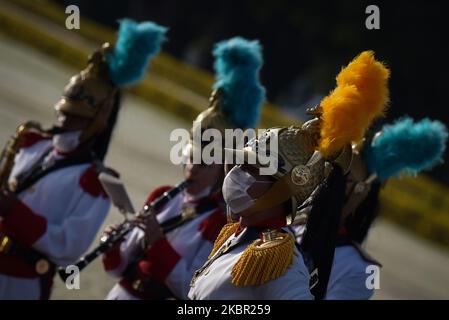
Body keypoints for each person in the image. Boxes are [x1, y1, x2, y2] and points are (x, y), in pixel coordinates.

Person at [188, 50, 390, 300]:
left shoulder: (280, 261)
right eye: (240, 165)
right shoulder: (235, 233)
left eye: (252, 170)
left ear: (284, 188)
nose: (236, 174)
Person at [0, 18, 167, 299]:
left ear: (97, 121)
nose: (63, 120)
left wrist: (12, 209)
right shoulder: (32, 143)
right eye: (63, 113)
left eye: (75, 117)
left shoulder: (95, 180)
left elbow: (67, 246)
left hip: (22, 282)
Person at [102, 37, 266, 300]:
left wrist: (157, 242)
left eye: (203, 164)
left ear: (222, 170)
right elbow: (118, 268)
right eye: (190, 158)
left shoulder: (218, 223)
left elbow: (192, 289)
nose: (192, 168)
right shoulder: (162, 196)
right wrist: (111, 247)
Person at [313, 117, 447, 300]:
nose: (327, 187)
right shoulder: (289, 229)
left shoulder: (365, 271)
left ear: (360, 194)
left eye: (344, 182)